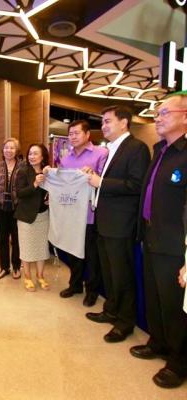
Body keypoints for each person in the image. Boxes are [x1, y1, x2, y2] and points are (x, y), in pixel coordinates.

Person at [129, 92, 187, 388]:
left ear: (185, 116)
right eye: (157, 113)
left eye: (164, 113)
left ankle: (179, 362)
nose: (158, 118)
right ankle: (159, 342)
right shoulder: (160, 150)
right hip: (151, 237)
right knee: (154, 296)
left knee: (173, 304)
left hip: (174, 244)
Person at [85, 105, 150, 343]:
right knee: (109, 272)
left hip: (121, 223)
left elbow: (136, 185)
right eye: (102, 121)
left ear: (123, 123)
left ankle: (124, 323)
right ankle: (111, 310)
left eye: (107, 121)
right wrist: (95, 176)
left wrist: (100, 182)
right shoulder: (111, 148)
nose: (103, 126)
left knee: (122, 275)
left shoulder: (137, 148)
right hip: (105, 221)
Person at [58, 120, 108, 306]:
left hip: (90, 215)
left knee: (92, 256)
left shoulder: (101, 153)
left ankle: (92, 291)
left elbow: (105, 181)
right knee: (73, 254)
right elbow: (62, 183)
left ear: (87, 134)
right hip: (71, 215)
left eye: (76, 133)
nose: (73, 137)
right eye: (70, 133)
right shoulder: (66, 158)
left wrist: (93, 173)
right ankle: (75, 285)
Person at [14, 143, 50, 292]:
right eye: (30, 153)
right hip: (26, 217)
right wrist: (35, 184)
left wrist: (49, 198)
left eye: (35, 153)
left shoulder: (48, 171)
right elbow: (19, 193)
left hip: (43, 216)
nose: (32, 156)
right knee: (27, 248)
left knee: (42, 248)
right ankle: (27, 277)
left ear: (43, 156)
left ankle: (40, 276)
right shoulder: (23, 171)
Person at [0, 138, 22, 279]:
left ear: (16, 150)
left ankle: (16, 267)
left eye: (12, 148)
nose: (9, 150)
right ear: (2, 150)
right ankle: (4, 267)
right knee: (2, 239)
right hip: (0, 208)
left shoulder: (23, 166)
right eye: (6, 147)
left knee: (17, 239)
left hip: (17, 209)